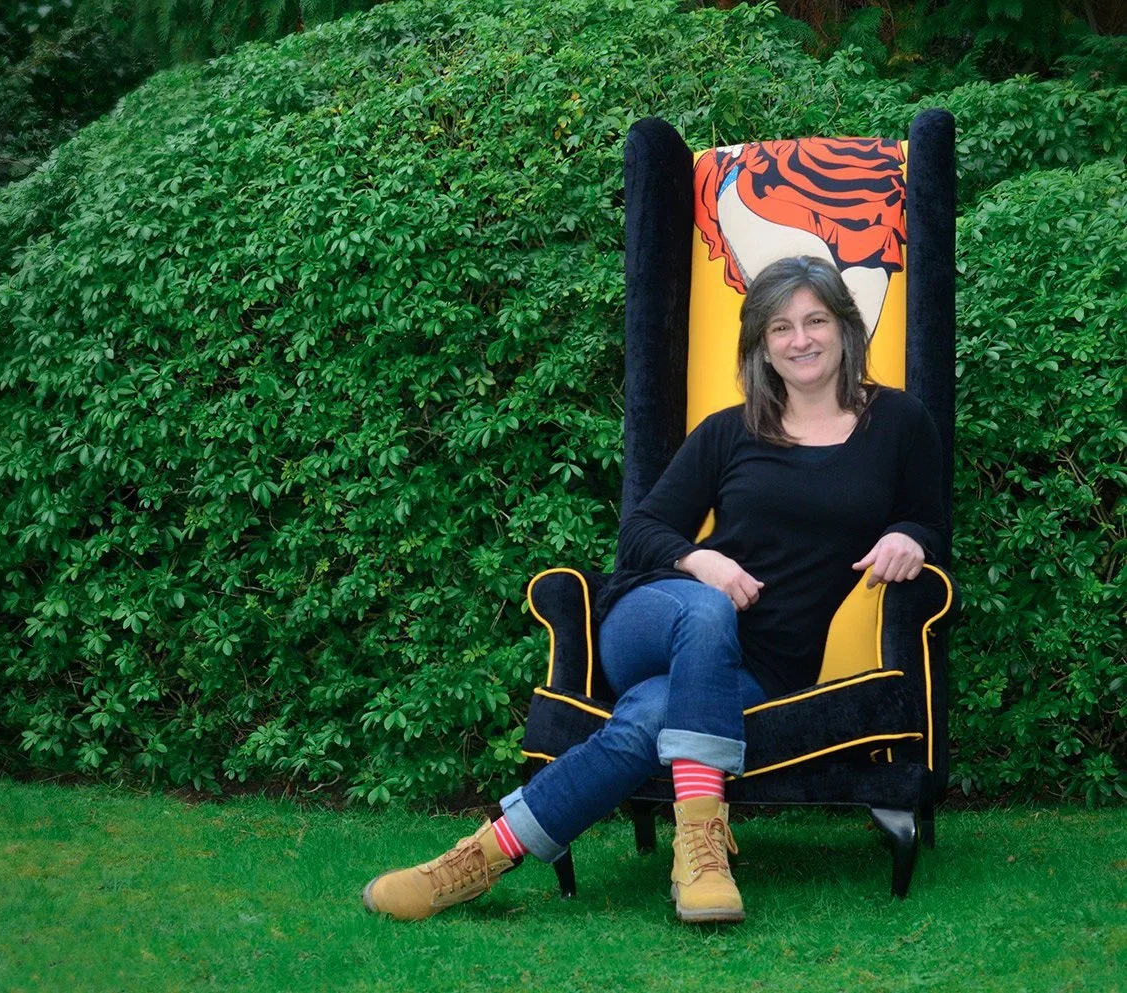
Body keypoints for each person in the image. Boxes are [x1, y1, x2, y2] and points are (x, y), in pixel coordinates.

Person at [361, 255, 945, 924]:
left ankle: (473, 861)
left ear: (846, 328)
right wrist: (704, 562)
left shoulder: (897, 422)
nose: (801, 339)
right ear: (760, 343)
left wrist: (909, 536)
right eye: (780, 327)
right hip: (653, 617)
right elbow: (643, 529)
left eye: (816, 320)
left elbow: (930, 517)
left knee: (646, 719)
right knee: (705, 609)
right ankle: (703, 851)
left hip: (764, 660)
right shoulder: (730, 431)